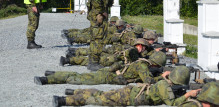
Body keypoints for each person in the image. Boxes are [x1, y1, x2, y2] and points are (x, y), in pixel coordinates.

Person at [52, 66, 201, 106]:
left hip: (130, 93)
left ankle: (74, 91)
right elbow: (173, 103)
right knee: (97, 100)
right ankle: (63, 100)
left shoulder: (165, 84)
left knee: (99, 95)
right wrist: (188, 95)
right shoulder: (164, 86)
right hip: (127, 97)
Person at [34, 50, 167, 85]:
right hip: (108, 76)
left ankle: (52, 74)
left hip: (109, 73)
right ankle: (47, 79)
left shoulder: (141, 62)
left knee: (78, 76)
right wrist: (163, 76)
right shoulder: (143, 65)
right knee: (77, 79)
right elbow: (149, 82)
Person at [87, 0, 114, 71]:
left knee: (96, 37)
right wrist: (99, 13)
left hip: (99, 12)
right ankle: (94, 62)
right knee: (98, 37)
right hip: (98, 14)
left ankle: (93, 61)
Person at [60, 38, 148, 68]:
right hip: (109, 60)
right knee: (88, 60)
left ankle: (69, 57)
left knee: (90, 57)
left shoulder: (131, 48)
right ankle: (67, 60)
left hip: (111, 57)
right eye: (144, 48)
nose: (144, 50)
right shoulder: (134, 51)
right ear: (140, 45)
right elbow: (135, 61)